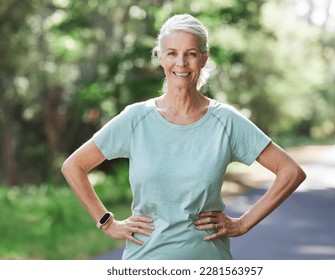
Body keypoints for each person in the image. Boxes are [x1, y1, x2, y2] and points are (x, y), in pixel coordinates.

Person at [61, 13, 306, 260]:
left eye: (191, 53)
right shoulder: (136, 119)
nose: (181, 63)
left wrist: (243, 223)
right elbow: (74, 166)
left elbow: (291, 171)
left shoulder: (226, 121)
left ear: (204, 58)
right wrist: (107, 222)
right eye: (172, 53)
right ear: (160, 57)